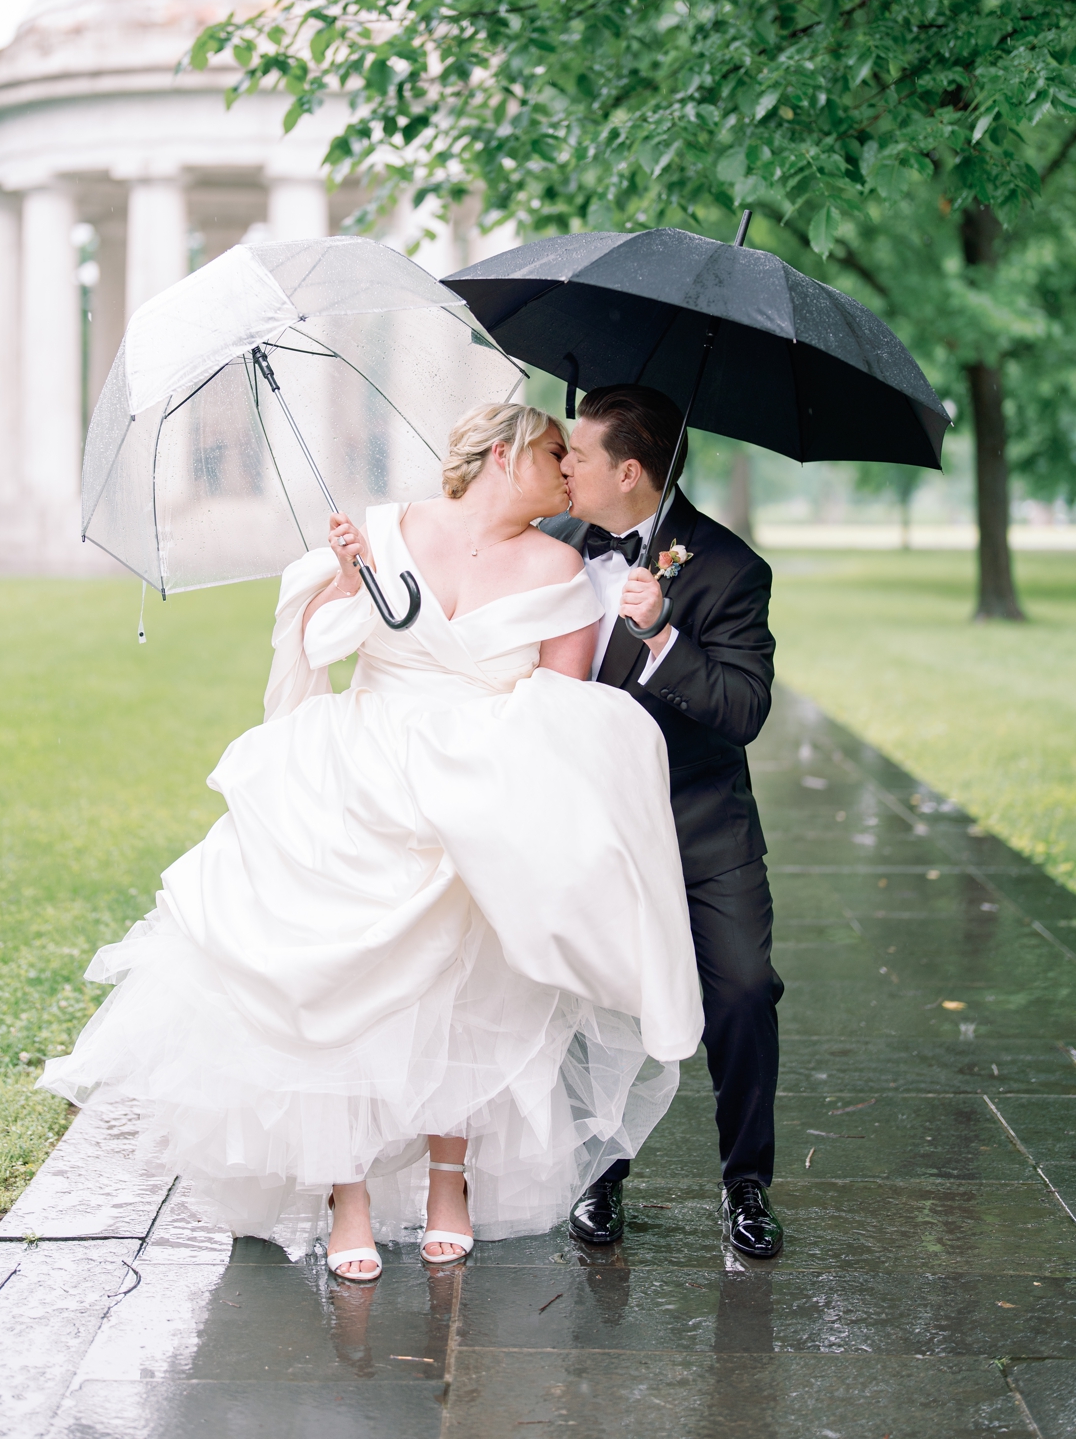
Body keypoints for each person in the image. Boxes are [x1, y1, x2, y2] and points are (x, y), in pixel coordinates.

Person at [42, 402, 703, 1282]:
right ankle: (343, 1194)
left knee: (463, 992)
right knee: (332, 990)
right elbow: (321, 645)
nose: (569, 472)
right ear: (505, 453)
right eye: (555, 452)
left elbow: (560, 703)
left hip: (472, 788)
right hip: (353, 777)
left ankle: (448, 1181)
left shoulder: (564, 565)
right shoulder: (382, 530)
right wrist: (350, 580)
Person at [541, 384, 784, 1260]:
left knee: (745, 992)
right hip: (593, 830)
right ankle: (597, 1176)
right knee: (589, 1004)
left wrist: (663, 639)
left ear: (630, 469)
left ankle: (746, 1182)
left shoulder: (729, 567)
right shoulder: (555, 546)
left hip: (700, 826)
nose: (562, 465)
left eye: (578, 454)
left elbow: (745, 709)